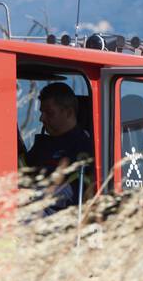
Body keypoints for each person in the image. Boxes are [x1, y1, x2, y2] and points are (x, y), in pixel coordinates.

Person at [21, 82, 94, 213]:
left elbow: (71, 192)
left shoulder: (83, 150)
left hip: (56, 224)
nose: (41, 119)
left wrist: (32, 194)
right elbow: (23, 172)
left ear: (69, 113)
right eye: (42, 112)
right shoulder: (43, 144)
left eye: (49, 113)